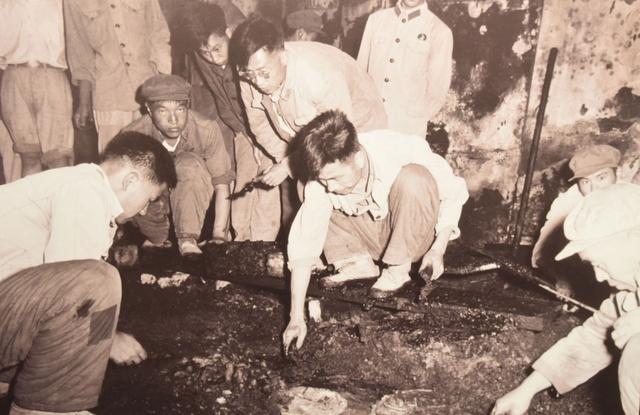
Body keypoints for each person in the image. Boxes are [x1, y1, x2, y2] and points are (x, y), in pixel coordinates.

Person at [0, 131, 177, 415]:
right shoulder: (85, 189)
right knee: (98, 281)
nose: (144, 210)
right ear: (131, 181)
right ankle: (50, 409)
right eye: (149, 198)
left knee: (92, 282)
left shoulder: (73, 184)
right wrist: (108, 338)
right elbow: (79, 293)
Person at [282, 111, 468, 351]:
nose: (330, 187)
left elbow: (454, 194)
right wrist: (296, 317)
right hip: (371, 236)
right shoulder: (325, 182)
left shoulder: (398, 148)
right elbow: (303, 248)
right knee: (308, 189)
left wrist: (438, 249)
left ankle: (397, 269)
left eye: (335, 178)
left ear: (358, 158)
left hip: (411, 234)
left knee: (415, 177)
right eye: (325, 180)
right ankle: (354, 260)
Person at [492, 183, 640, 415]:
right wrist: (525, 390)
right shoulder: (628, 293)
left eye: (600, 264)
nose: (599, 277)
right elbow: (595, 338)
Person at [229, 16, 388, 230]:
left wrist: (288, 165)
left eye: (263, 73)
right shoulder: (251, 73)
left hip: (358, 126)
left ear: (283, 56)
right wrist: (285, 160)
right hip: (315, 136)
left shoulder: (318, 76)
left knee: (353, 193)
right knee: (309, 191)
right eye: (250, 75)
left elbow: (338, 138)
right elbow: (260, 126)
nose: (257, 82)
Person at [178, 2, 281, 242]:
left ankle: (263, 243)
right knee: (242, 185)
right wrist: (239, 135)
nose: (213, 58)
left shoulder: (246, 49)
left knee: (266, 186)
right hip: (240, 129)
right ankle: (240, 241)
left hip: (267, 127)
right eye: (205, 53)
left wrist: (261, 140)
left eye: (217, 48)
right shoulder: (202, 54)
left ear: (228, 32)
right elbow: (218, 99)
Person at [123, 74, 234, 255]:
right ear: (149, 110)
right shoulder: (133, 136)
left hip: (195, 210)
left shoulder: (206, 129)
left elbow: (222, 184)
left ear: (188, 107)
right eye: (163, 111)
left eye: (180, 110)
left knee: (189, 163)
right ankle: (155, 238)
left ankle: (188, 240)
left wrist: (219, 235)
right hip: (152, 210)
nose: (173, 120)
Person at [63, 0, 171, 151]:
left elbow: (158, 34)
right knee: (114, 158)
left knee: (155, 156)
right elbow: (80, 52)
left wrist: (165, 86)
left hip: (149, 89)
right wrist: (84, 104)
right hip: (109, 96)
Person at [531, 144, 621, 294]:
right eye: (585, 182)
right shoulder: (567, 204)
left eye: (601, 177)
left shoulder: (631, 195)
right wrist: (562, 280)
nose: (594, 189)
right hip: (585, 277)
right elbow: (541, 255)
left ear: (618, 173)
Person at [357, 0, 453, 137]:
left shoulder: (439, 31)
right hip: (370, 125)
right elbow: (359, 74)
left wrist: (413, 120)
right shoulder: (376, 20)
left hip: (406, 131)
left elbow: (437, 91)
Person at [0, 0, 74, 177]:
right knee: (29, 156)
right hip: (14, 74)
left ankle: (62, 195)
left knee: (58, 156)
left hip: (52, 74)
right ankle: (32, 196)